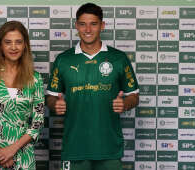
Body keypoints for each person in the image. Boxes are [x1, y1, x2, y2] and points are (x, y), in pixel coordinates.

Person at [46, 3, 139, 170]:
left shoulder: (118, 58)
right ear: (76, 26)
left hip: (109, 148)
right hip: (74, 148)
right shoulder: (63, 60)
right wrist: (55, 104)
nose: (87, 29)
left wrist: (125, 104)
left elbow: (134, 96)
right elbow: (51, 97)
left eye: (93, 24)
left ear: (102, 26)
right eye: (82, 24)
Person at [0, 21, 44, 170]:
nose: (13, 47)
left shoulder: (35, 78)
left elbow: (37, 122)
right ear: (0, 46)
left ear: (25, 46)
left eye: (18, 42)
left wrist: (11, 150)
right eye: (8, 42)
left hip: (23, 155)